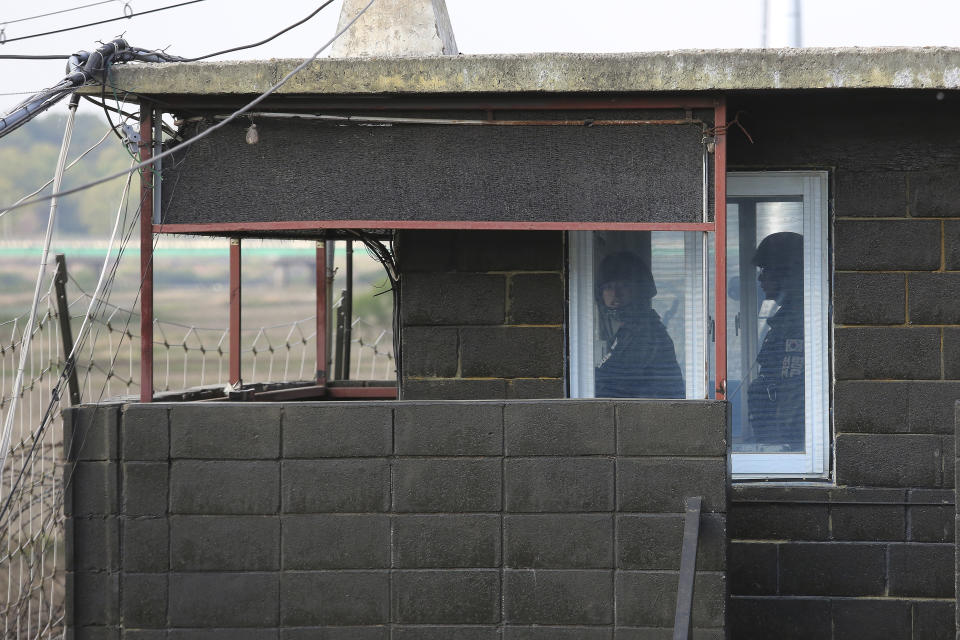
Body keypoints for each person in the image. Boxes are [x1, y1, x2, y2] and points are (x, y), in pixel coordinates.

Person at [594, 251, 684, 398]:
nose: (615, 294)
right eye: (609, 287)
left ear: (638, 291)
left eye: (623, 285)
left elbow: (617, 385)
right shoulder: (629, 331)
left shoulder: (646, 333)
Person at [747, 232, 805, 450]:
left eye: (766, 271)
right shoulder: (786, 319)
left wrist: (779, 442)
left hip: (786, 441)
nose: (760, 279)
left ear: (786, 274)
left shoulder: (797, 323)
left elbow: (793, 389)